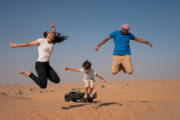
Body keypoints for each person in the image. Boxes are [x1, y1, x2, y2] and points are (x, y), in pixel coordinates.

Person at [9, 22, 67, 89]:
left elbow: (53, 33)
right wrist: (16, 45)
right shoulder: (41, 41)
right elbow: (29, 44)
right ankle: (29, 74)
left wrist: (54, 28)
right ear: (46, 34)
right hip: (40, 64)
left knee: (57, 80)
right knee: (43, 85)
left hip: (47, 65)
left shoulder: (52, 43)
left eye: (53, 36)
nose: (51, 37)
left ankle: (44, 76)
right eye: (50, 35)